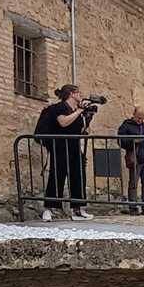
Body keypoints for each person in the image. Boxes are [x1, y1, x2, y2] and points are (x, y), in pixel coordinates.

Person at [35, 84, 94, 222]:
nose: (80, 95)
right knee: (57, 176)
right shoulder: (59, 107)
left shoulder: (76, 111)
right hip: (60, 145)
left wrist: (87, 118)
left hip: (74, 146)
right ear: (71, 94)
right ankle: (49, 209)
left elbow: (81, 129)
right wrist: (79, 110)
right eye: (78, 92)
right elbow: (63, 122)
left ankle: (78, 209)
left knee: (78, 176)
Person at [117, 106, 144, 215]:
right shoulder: (126, 126)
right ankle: (133, 207)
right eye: (138, 117)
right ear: (134, 114)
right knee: (133, 183)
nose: (140, 120)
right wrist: (134, 141)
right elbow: (121, 141)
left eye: (142, 118)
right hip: (135, 158)